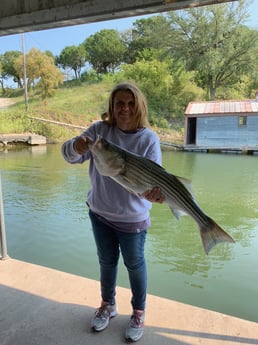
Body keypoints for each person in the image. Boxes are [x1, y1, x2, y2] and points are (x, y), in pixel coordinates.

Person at [62, 81, 165, 342]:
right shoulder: (99, 132)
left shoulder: (148, 139)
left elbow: (154, 182)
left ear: (139, 106)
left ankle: (138, 312)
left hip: (133, 220)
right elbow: (68, 155)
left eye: (131, 103)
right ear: (112, 106)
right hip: (99, 214)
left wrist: (157, 195)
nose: (125, 109)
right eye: (119, 103)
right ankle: (108, 305)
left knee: (134, 264)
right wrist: (78, 146)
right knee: (106, 262)